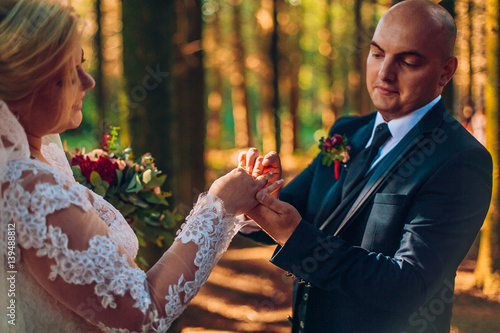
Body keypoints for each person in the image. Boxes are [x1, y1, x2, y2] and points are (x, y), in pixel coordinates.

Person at [0, 0, 282, 332]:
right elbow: (143, 314)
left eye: (84, 65)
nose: (88, 81)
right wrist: (219, 206)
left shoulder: (33, 163)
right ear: (23, 83)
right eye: (69, 72)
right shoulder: (29, 187)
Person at [239, 1, 493, 332]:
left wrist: (294, 233)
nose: (384, 73)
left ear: (445, 71)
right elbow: (294, 211)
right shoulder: (346, 131)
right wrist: (260, 197)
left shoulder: (461, 161)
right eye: (377, 54)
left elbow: (407, 286)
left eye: (408, 61)